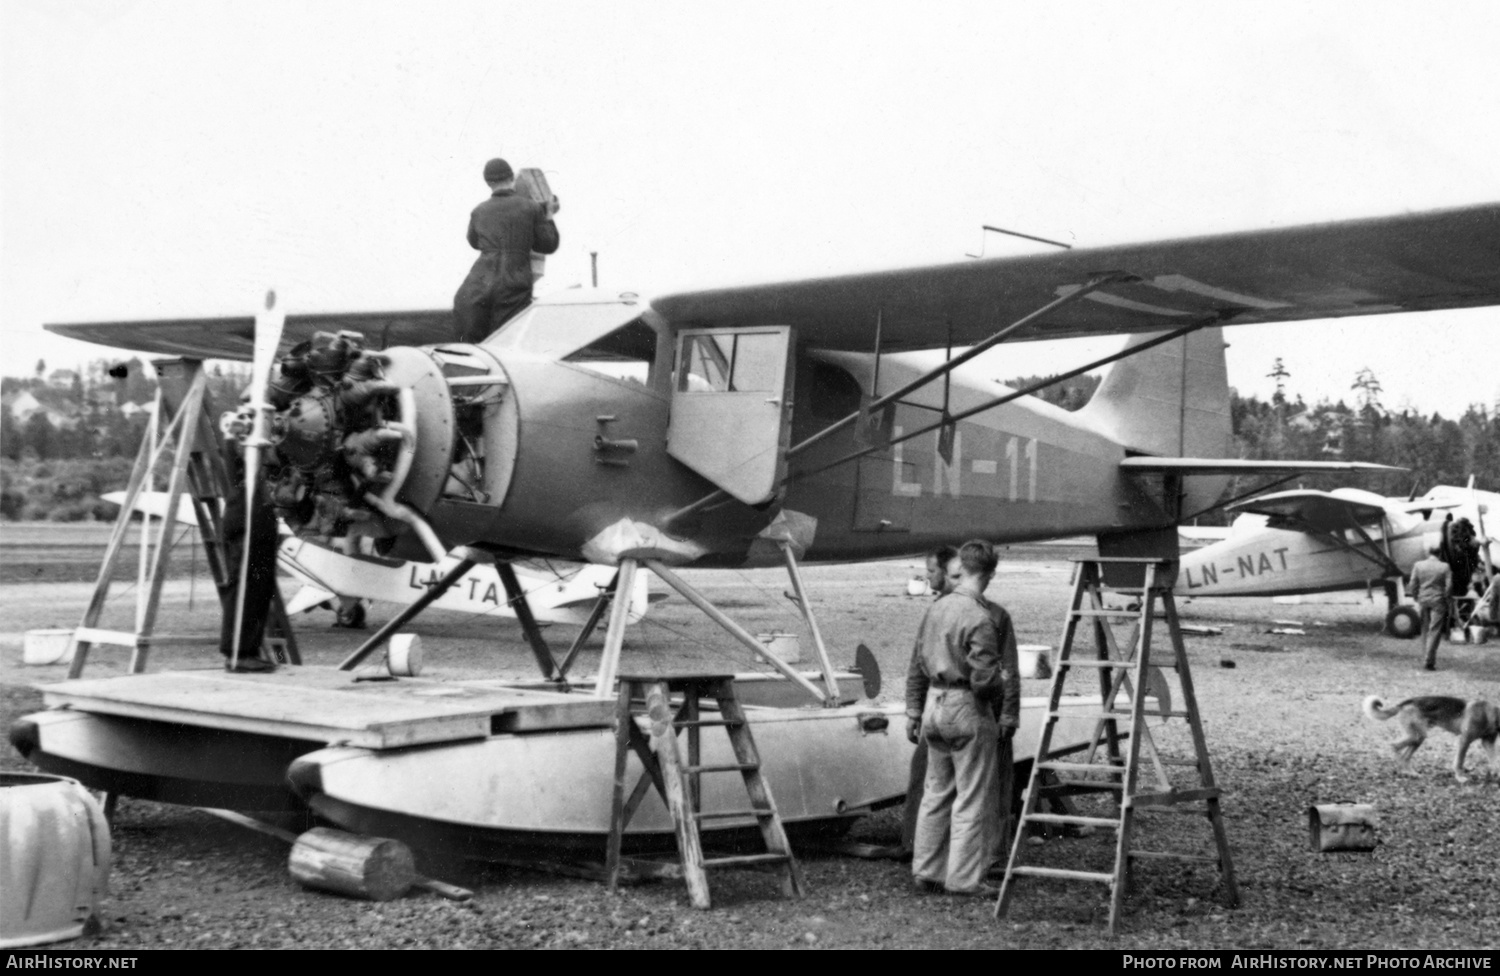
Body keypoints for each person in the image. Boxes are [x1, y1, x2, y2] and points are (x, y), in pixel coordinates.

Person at [905, 539, 1004, 896]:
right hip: (965, 704)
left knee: (936, 792)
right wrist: (997, 692)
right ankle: (963, 879)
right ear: (989, 574)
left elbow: (918, 661)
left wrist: (913, 709)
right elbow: (983, 678)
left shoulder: (936, 608)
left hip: (933, 700)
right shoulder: (981, 617)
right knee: (972, 796)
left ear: (960, 568)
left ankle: (926, 869)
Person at [452, 157, 560, 343]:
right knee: (505, 341)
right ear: (511, 178)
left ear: (488, 182)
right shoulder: (532, 208)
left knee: (472, 342)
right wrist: (548, 214)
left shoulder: (479, 211)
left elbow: (474, 242)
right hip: (514, 282)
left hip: (479, 282)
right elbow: (548, 245)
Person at [897, 545, 958, 858]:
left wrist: (914, 711)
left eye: (932, 571)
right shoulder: (941, 609)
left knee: (927, 779)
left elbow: (917, 664)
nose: (927, 576)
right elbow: (919, 662)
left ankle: (919, 848)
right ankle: (920, 847)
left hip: (944, 705)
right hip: (949, 706)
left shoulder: (946, 610)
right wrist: (912, 709)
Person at [217, 405, 280, 672]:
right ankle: (240, 654)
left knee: (254, 589)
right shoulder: (245, 459)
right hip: (250, 523)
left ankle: (243, 651)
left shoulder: (238, 458)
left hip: (251, 521)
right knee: (248, 588)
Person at [1409, 545, 1452, 671]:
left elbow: (1413, 583)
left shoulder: (1418, 565)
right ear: (1440, 553)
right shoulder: (1445, 566)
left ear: (1429, 552)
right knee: (1435, 630)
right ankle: (1429, 660)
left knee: (1424, 629)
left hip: (1423, 599)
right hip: (1438, 600)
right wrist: (1446, 598)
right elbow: (1449, 587)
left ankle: (1425, 656)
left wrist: (1416, 596)